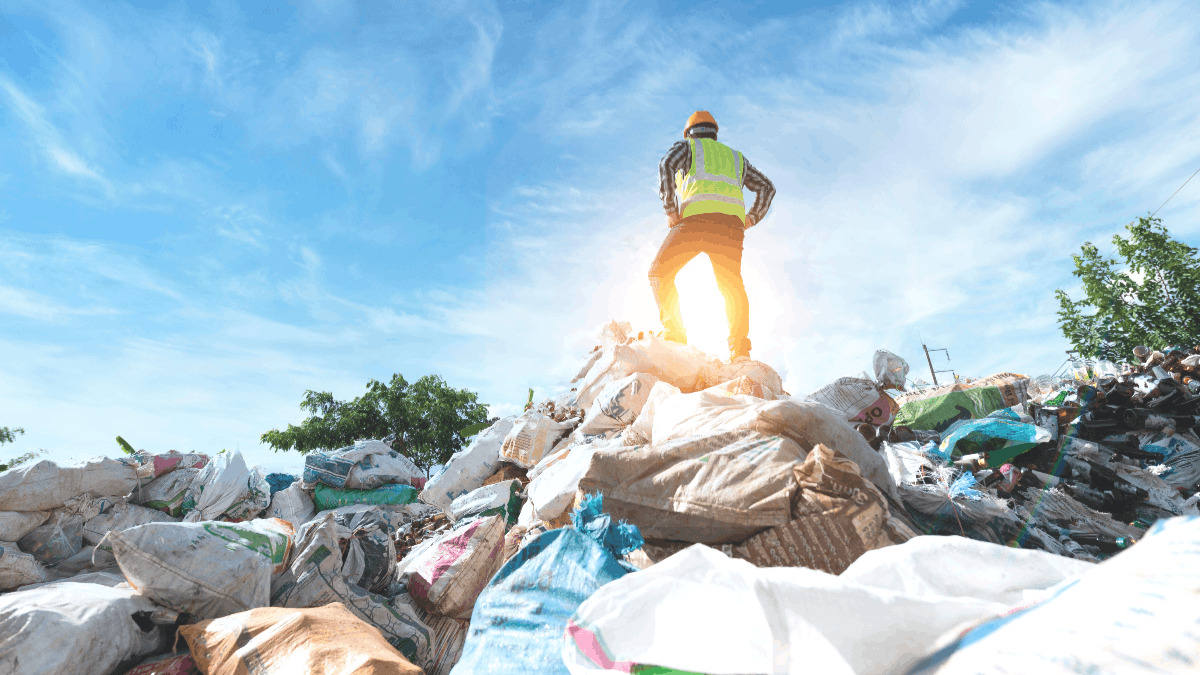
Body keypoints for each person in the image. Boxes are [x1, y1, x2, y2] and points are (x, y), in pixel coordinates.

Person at [650, 110, 776, 362]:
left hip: (696, 221)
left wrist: (670, 210)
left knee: (659, 272)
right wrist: (751, 218)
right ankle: (740, 350)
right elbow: (767, 187)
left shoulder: (688, 148)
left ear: (689, 133)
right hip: (730, 228)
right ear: (715, 133)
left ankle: (675, 334)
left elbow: (666, 164)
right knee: (731, 286)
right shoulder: (736, 158)